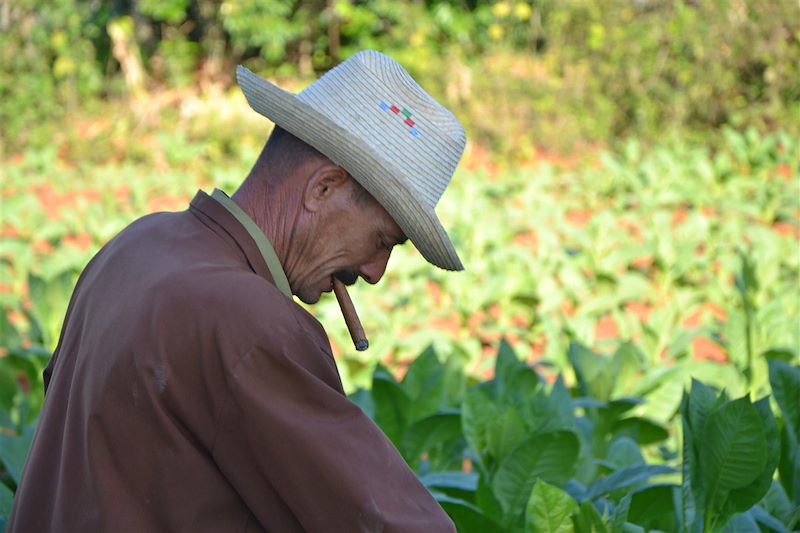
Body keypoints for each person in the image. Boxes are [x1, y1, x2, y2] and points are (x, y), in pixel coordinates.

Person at [8, 50, 465, 532]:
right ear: (323, 188)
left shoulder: (136, 244)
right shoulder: (250, 322)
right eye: (382, 241)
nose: (375, 272)